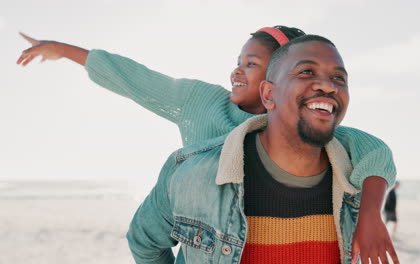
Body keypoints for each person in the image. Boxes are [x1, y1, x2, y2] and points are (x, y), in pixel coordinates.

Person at [17, 27, 396, 261]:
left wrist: (370, 215)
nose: (236, 70)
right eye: (239, 61)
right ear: (271, 89)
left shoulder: (312, 130)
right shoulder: (203, 102)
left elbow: (374, 151)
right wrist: (63, 50)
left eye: (250, 63)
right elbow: (135, 79)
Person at [126, 35, 399, 264]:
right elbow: (145, 242)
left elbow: (378, 152)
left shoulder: (357, 185)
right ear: (268, 95)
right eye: (306, 72)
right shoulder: (191, 172)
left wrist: (371, 212)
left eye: (339, 78)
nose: (328, 85)